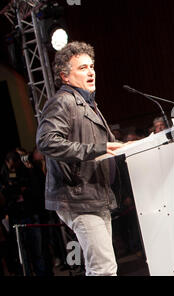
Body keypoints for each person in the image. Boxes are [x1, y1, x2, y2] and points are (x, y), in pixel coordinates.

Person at [36, 41, 125, 276]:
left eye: (92, 66)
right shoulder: (62, 102)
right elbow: (46, 141)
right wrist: (95, 149)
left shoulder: (88, 103)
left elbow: (106, 145)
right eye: (83, 68)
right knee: (103, 269)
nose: (91, 72)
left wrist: (129, 146)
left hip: (95, 195)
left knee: (105, 268)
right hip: (77, 197)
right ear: (65, 76)